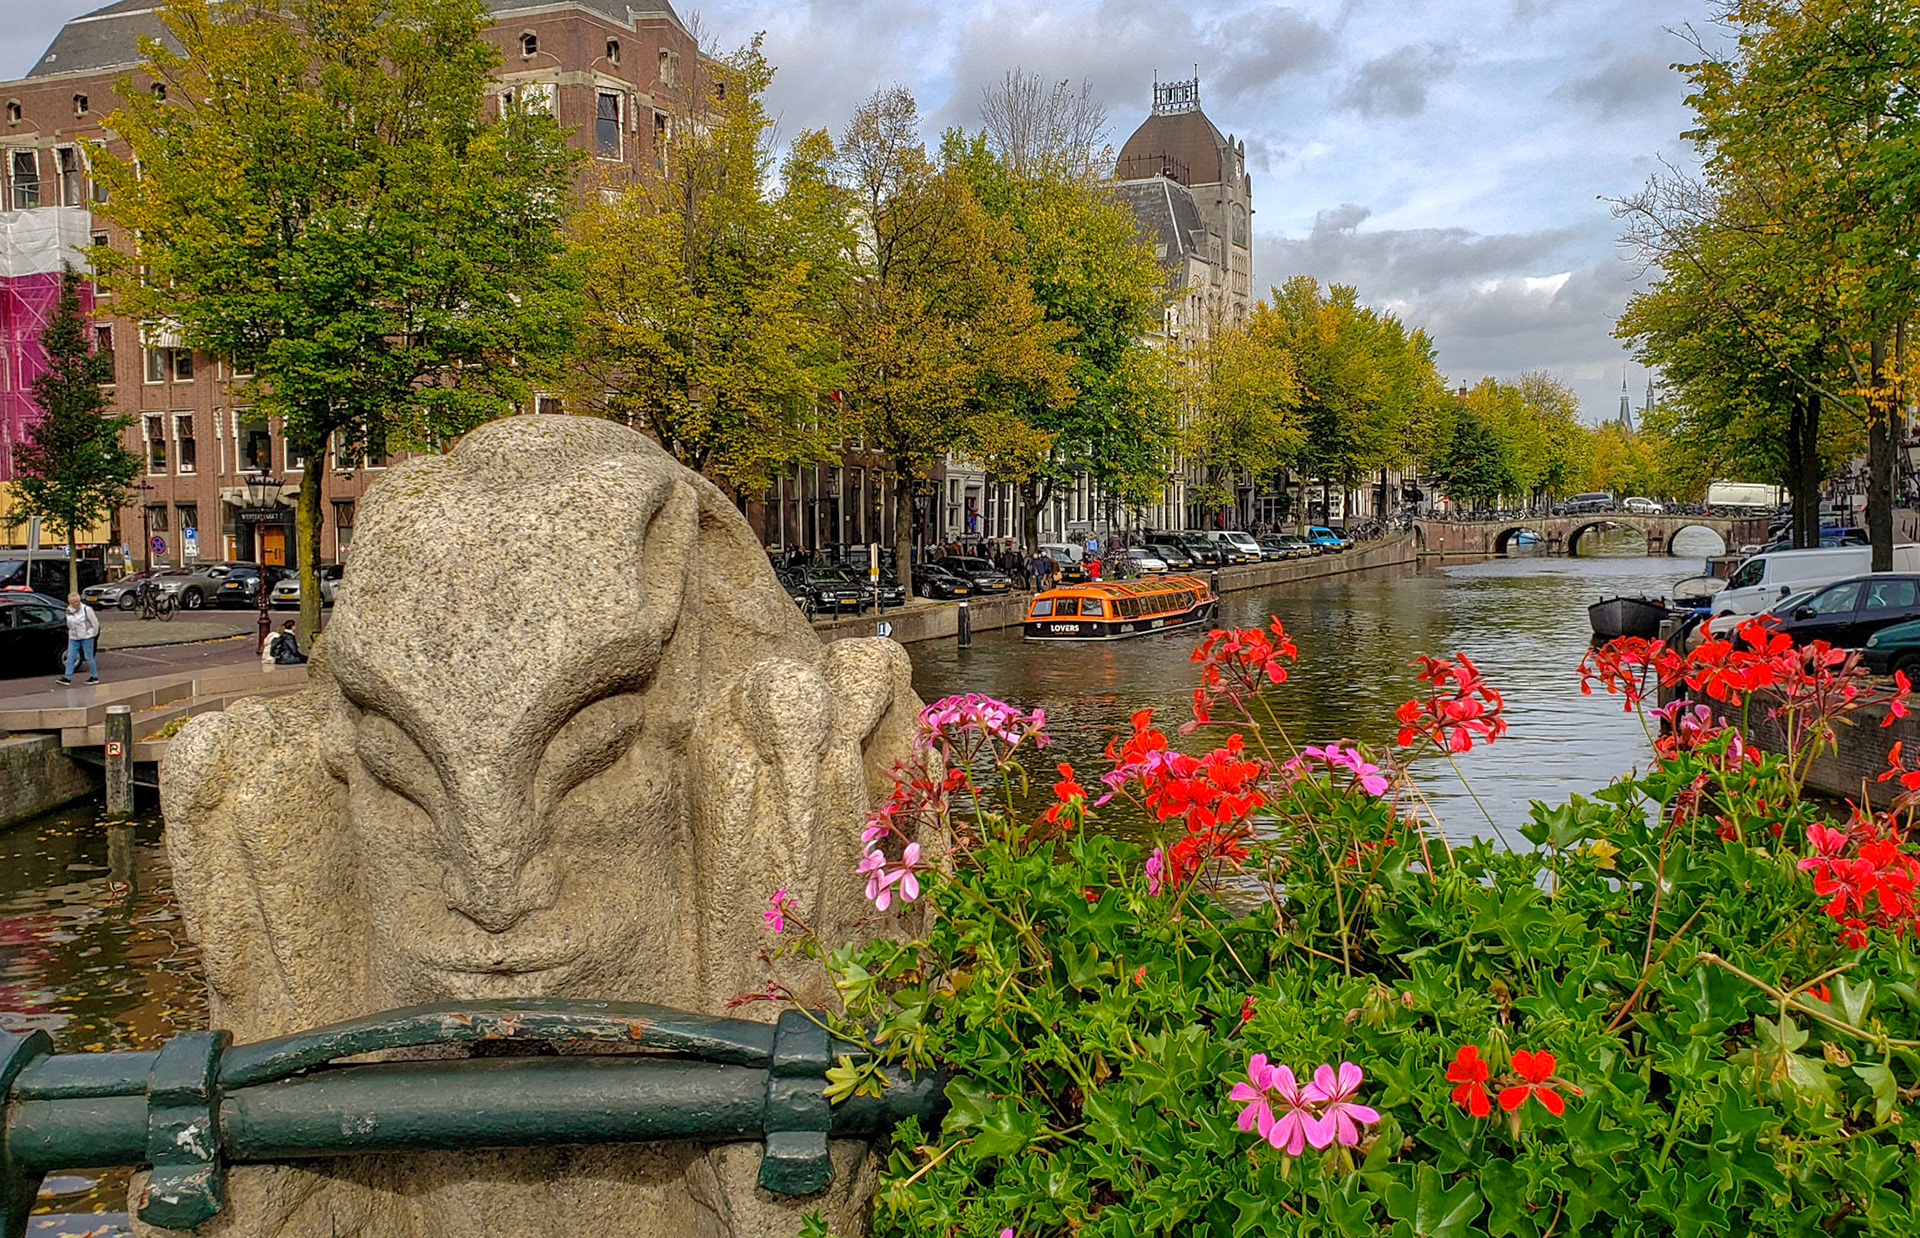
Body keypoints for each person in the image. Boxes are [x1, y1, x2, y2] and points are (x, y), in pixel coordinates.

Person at [58, 594, 100, 686]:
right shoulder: (68, 610)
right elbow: (69, 623)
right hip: (74, 637)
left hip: (86, 636)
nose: (75, 604)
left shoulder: (86, 609)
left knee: (88, 657)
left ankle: (94, 676)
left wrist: (93, 634)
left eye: (77, 602)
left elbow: (95, 622)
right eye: (73, 602)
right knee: (70, 656)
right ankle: (67, 678)